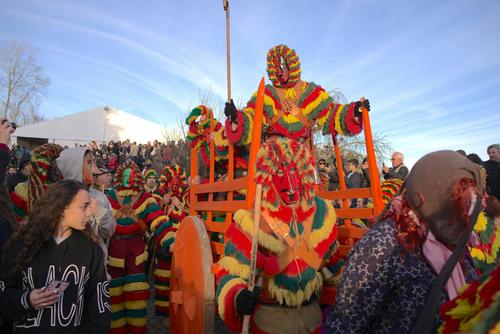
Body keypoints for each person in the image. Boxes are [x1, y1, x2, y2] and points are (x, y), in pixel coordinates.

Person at [324, 150, 482, 333]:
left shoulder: (453, 239)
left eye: (469, 199)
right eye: (458, 196)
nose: (467, 207)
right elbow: (346, 320)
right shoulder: (387, 240)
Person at [216, 137, 341, 333]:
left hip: (313, 320)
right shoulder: (251, 221)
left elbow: (331, 263)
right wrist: (238, 295)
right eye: (280, 172)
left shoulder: (322, 214)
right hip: (271, 322)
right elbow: (230, 272)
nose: (290, 183)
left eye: (293, 170)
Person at [0, 179, 111, 333]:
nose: (90, 212)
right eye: (84, 206)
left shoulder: (91, 249)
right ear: (61, 207)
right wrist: (27, 299)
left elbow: (99, 306)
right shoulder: (24, 245)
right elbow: (4, 292)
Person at [106, 160, 173, 334]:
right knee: (115, 293)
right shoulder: (109, 197)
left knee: (136, 291)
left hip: (136, 251)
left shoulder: (145, 198)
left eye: (131, 175)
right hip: (114, 251)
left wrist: (169, 239)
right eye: (125, 175)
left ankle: (136, 329)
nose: (128, 179)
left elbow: (157, 218)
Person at [56, 147, 116, 278]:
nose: (95, 168)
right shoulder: (57, 198)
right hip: (64, 268)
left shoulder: (99, 197)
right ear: (74, 166)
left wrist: (100, 213)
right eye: (89, 162)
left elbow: (109, 232)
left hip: (94, 267)